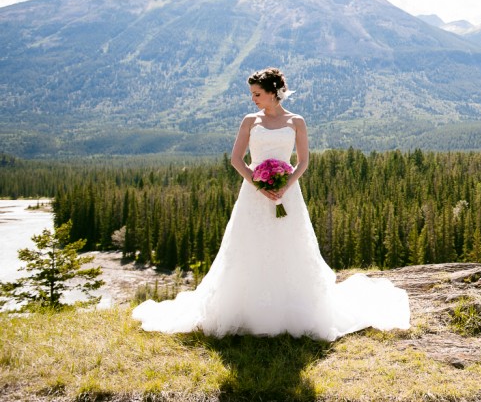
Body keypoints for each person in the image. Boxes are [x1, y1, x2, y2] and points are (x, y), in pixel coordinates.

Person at [132, 68, 410, 339]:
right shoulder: (250, 121)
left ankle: (291, 311)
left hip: (288, 194)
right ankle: (246, 312)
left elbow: (303, 162)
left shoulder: (296, 121)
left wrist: (285, 185)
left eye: (257, 94)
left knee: (289, 245)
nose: (253, 99)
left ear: (273, 93)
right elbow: (236, 160)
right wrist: (259, 185)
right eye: (252, 94)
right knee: (249, 246)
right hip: (253, 195)